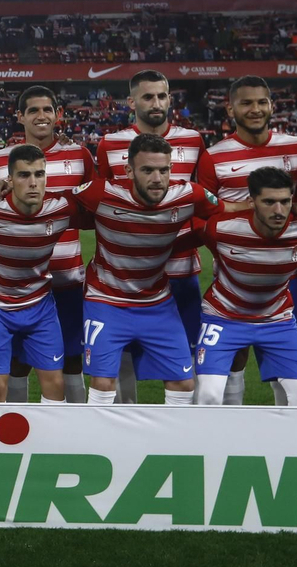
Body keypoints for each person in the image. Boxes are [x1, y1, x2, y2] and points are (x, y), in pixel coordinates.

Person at [192, 76, 297, 405]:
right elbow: (202, 214)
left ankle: (284, 434)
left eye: (262, 102)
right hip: (233, 270)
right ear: (231, 108)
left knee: (283, 364)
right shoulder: (213, 157)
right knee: (234, 357)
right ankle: (233, 428)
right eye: (246, 103)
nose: (255, 109)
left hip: (286, 278)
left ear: (272, 105)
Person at [78, 133, 222, 405]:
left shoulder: (188, 195)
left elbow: (226, 211)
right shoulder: (102, 193)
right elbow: (53, 205)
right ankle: (97, 440)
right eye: (147, 170)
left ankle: (172, 445)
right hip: (105, 300)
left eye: (163, 170)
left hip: (156, 302)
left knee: (183, 382)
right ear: (129, 171)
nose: (157, 178)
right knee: (103, 382)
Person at [96, 69, 210, 400]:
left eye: (162, 95)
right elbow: (105, 205)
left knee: (186, 362)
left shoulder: (193, 140)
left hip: (180, 272)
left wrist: (193, 240)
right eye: (148, 96)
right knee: (124, 357)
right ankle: (126, 425)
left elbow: (202, 201)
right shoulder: (110, 145)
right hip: (126, 279)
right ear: (131, 102)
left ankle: (180, 433)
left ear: (170, 98)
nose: (156, 102)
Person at [0, 85, 96, 403]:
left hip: (68, 279)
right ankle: (22, 431)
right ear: (20, 116)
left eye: (47, 109)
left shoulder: (79, 156)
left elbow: (90, 213)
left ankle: (72, 430)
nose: (41, 116)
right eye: (33, 110)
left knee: (73, 360)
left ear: (58, 114)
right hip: (19, 285)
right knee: (19, 363)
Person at [187, 167, 297, 407]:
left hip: (276, 320)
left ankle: (285, 445)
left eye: (285, 202)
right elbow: (186, 227)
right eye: (269, 202)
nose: (278, 211)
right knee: (208, 395)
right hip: (223, 317)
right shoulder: (221, 229)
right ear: (251, 201)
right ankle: (211, 444)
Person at [0, 144, 73, 403]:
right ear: (9, 179)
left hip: (39, 304)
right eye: (24, 175)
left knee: (55, 385)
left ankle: (49, 441)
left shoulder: (62, 208)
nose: (33, 183)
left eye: (39, 174)